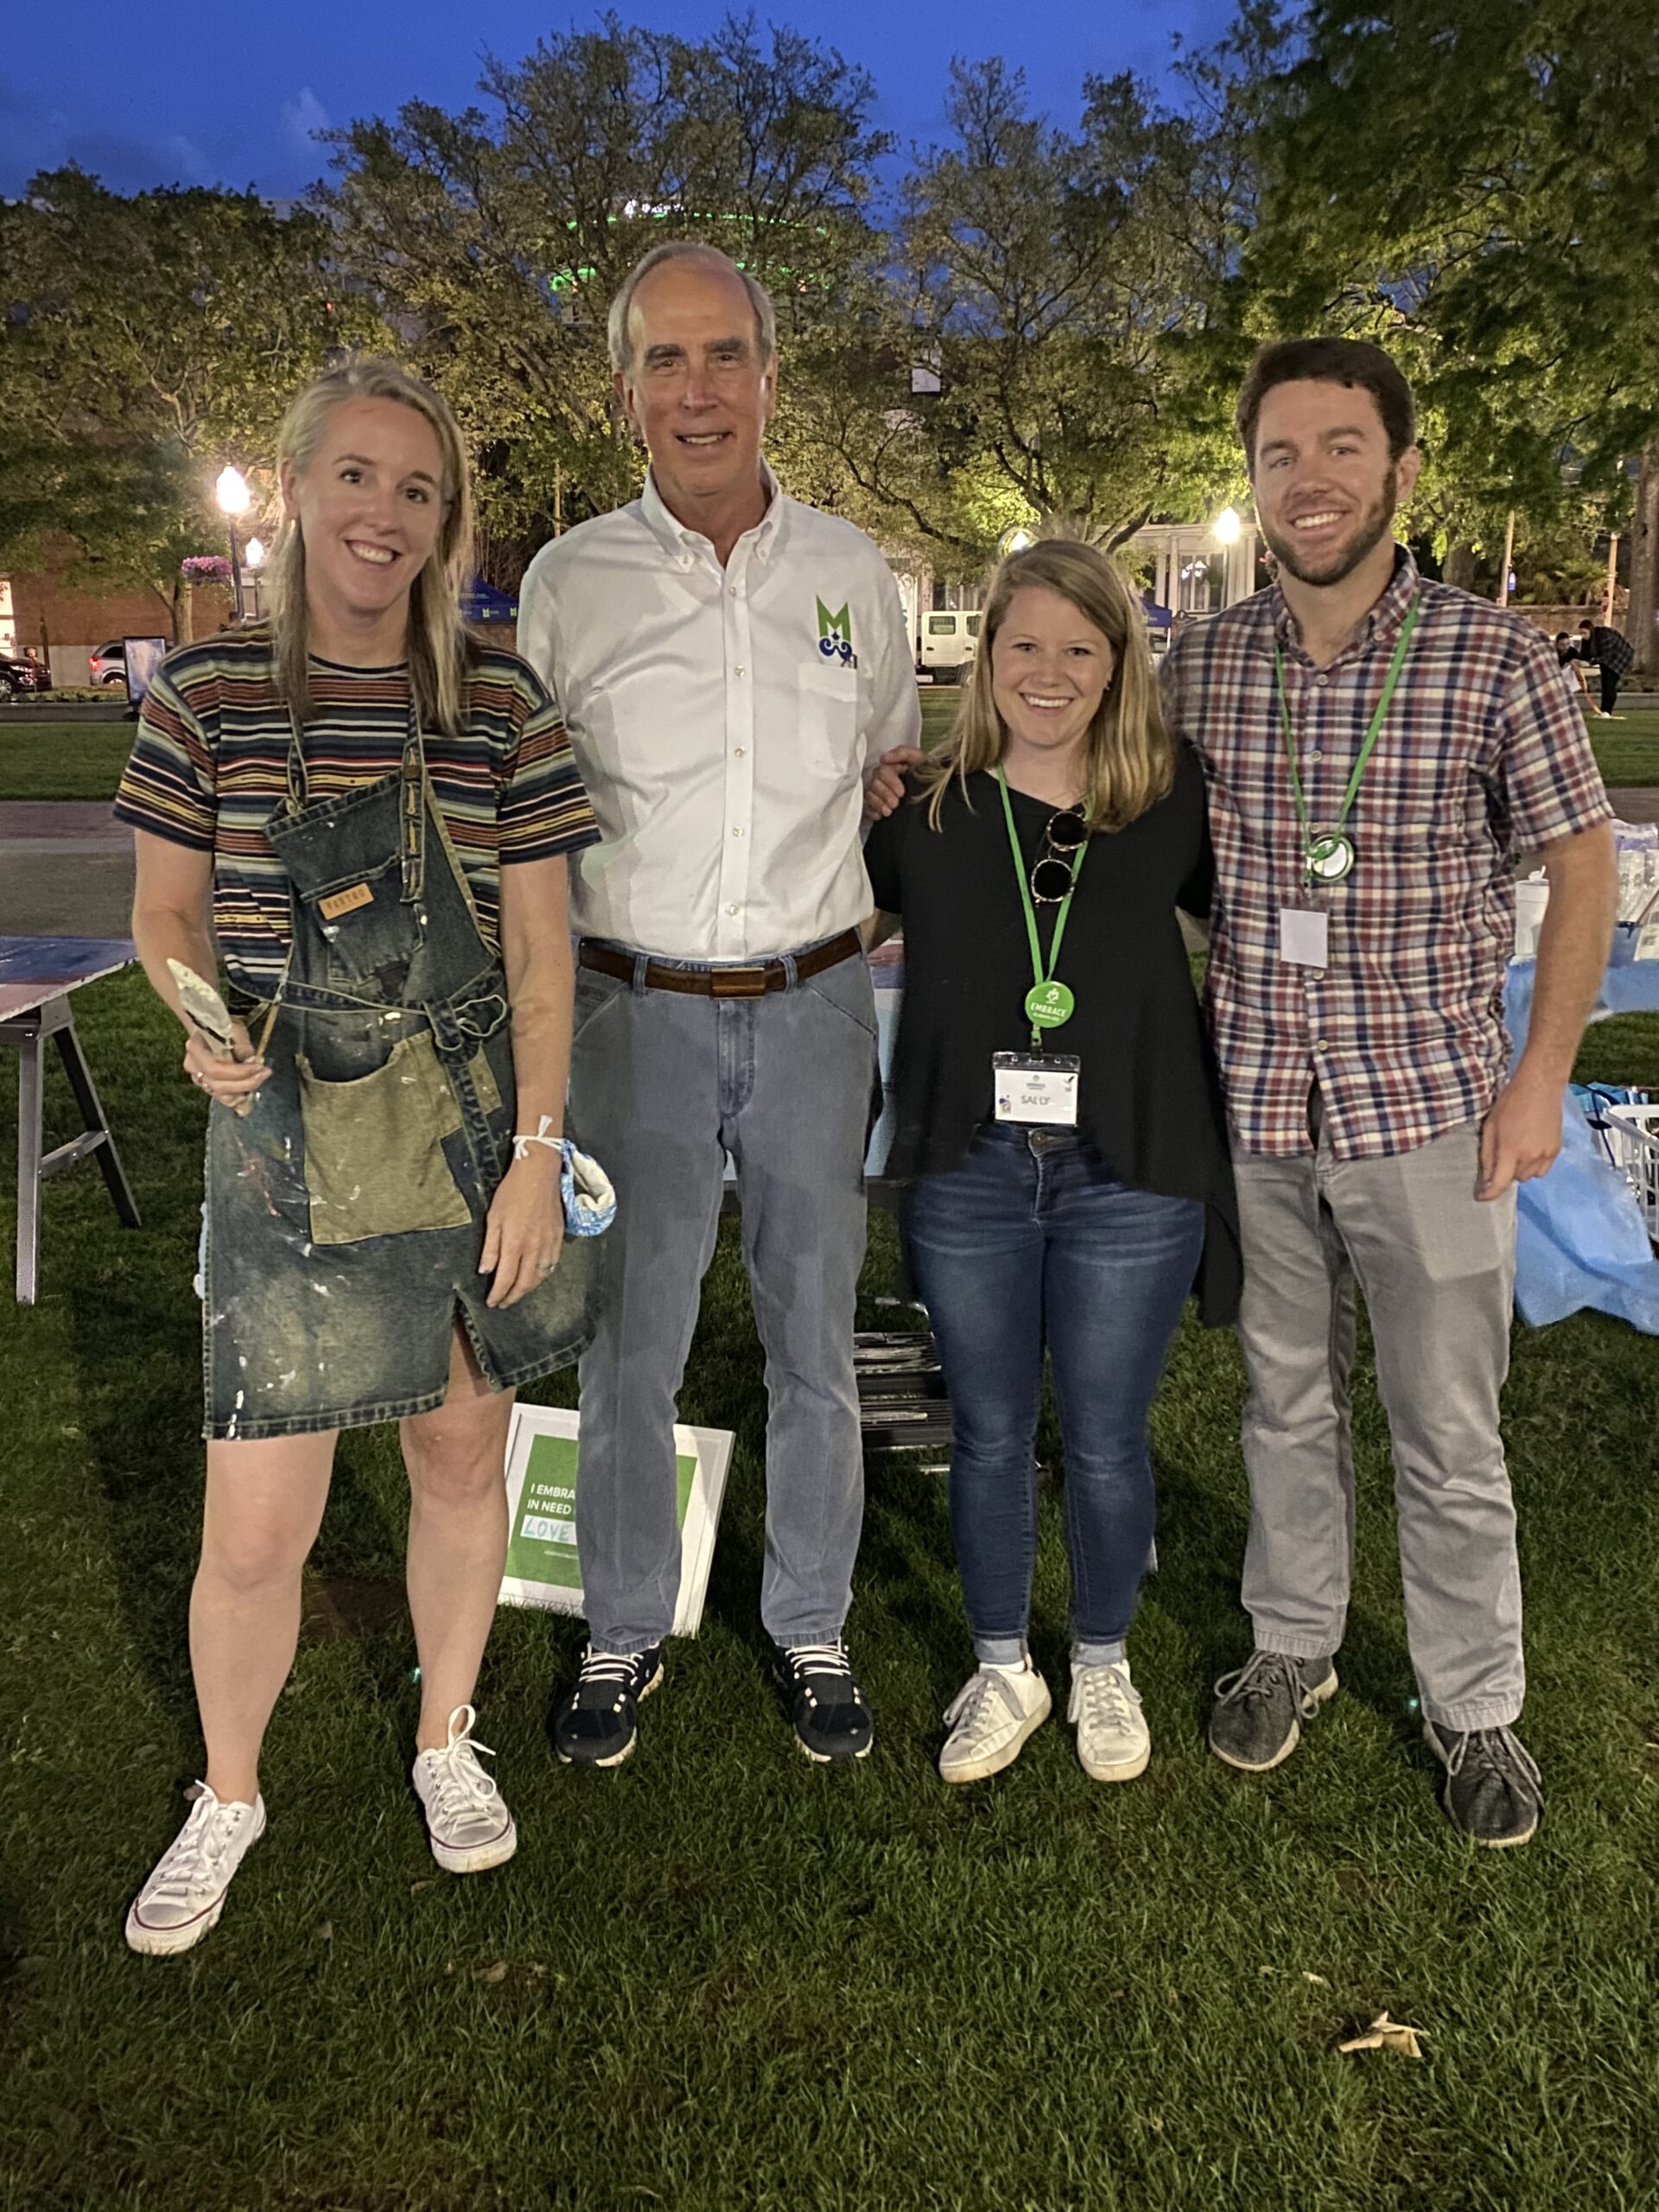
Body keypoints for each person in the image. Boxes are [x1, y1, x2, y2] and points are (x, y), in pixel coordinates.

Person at [113, 359, 602, 1952]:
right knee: (256, 1523)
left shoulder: (503, 706)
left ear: (447, 520)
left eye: (417, 490)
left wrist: (536, 1156)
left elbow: (542, 954)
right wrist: (203, 1021)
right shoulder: (203, 695)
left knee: (461, 1459)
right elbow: (165, 913)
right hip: (283, 1145)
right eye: (357, 480)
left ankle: (444, 1737)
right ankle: (230, 1791)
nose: (384, 517)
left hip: (473, 1150)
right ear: (300, 490)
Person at [1162, 336, 1616, 1847]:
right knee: (1282, 1401)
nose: (1311, 480)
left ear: (1403, 469)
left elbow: (1583, 863)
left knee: (1446, 1427)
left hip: (1428, 1108)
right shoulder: (1206, 660)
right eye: (1282, 454)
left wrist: (1540, 1075)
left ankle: (1475, 1704)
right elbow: (1130, 836)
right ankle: (1293, 1643)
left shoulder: (1496, 655)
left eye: (1343, 447)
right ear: (1254, 478)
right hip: (1257, 1107)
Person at [516, 242, 920, 1767]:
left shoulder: (851, 575)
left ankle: (810, 1621)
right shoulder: (569, 586)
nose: (700, 389)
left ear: (769, 373)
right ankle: (623, 1625)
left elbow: (882, 764)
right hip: (634, 1015)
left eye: (725, 355)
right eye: (666, 362)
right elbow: (525, 817)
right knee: (634, 1334)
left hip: (818, 1008)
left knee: (816, 1327)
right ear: (623, 390)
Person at [862, 541, 1239, 1786]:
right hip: (968, 1167)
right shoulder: (922, 808)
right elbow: (836, 919)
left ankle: (1102, 1660)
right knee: (985, 1430)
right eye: (1023, 643)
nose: (1048, 671)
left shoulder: (1173, 796)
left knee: (1107, 1435)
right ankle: (1000, 1665)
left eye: (1081, 647)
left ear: (1119, 663)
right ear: (986, 656)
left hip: (1128, 1166)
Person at [1576, 615, 1634, 718]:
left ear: (1590, 630)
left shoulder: (1605, 636)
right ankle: (1603, 711)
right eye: (1581, 633)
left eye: (1584, 633)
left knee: (1609, 684)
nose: (1583, 636)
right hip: (1607, 660)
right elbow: (1585, 654)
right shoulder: (1587, 640)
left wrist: (1590, 663)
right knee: (1604, 684)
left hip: (1619, 658)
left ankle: (1607, 711)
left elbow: (1607, 655)